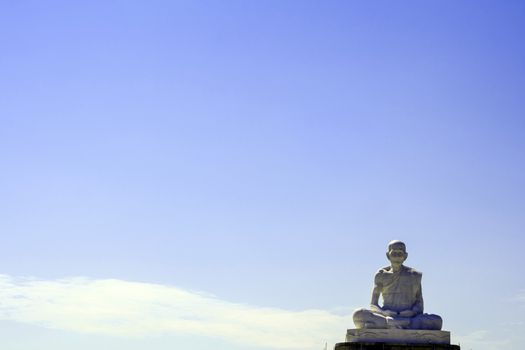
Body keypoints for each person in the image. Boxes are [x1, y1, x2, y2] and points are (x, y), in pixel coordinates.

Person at [353, 240, 443, 330]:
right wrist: (384, 312)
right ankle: (402, 325)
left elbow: (419, 304)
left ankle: (389, 324)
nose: (397, 256)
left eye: (400, 253)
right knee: (358, 315)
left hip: (409, 317)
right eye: (394, 253)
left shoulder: (414, 275)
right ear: (388, 255)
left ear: (405, 256)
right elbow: (373, 304)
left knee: (437, 320)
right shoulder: (381, 275)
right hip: (387, 315)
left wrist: (412, 312)